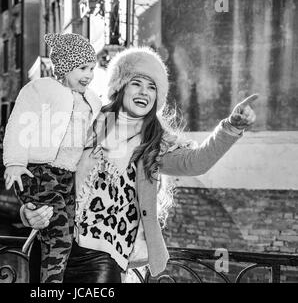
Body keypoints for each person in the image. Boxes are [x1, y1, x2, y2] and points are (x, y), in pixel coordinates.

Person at [20, 47, 258, 283]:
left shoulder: (153, 142)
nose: (145, 92)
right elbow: (43, 173)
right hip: (50, 247)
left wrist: (232, 127)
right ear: (120, 86)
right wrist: (29, 212)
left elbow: (195, 162)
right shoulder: (85, 121)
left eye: (152, 86)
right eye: (137, 83)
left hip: (102, 257)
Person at [3, 33, 102, 283]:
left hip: (67, 177)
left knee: (66, 230)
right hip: (39, 172)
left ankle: (50, 277)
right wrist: (15, 162)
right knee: (59, 234)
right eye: (83, 68)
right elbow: (18, 124)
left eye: (92, 68)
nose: (89, 75)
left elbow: (99, 130)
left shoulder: (92, 100)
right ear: (65, 67)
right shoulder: (42, 89)